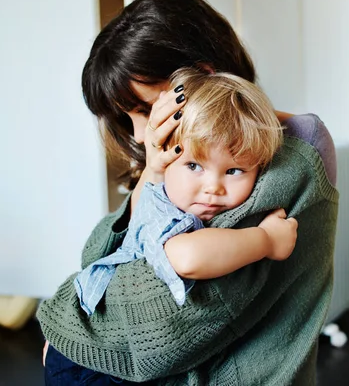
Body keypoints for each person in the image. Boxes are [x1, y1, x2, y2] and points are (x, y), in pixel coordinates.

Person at [37, 0, 338, 385]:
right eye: (127, 117)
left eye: (145, 109)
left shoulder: (289, 152)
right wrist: (152, 170)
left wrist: (64, 321)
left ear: (205, 78)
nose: (142, 133)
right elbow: (98, 254)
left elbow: (176, 316)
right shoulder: (175, 159)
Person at [73, 67, 297, 317]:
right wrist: (267, 240)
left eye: (234, 171)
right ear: (166, 160)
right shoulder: (162, 209)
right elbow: (188, 257)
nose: (213, 188)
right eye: (193, 166)